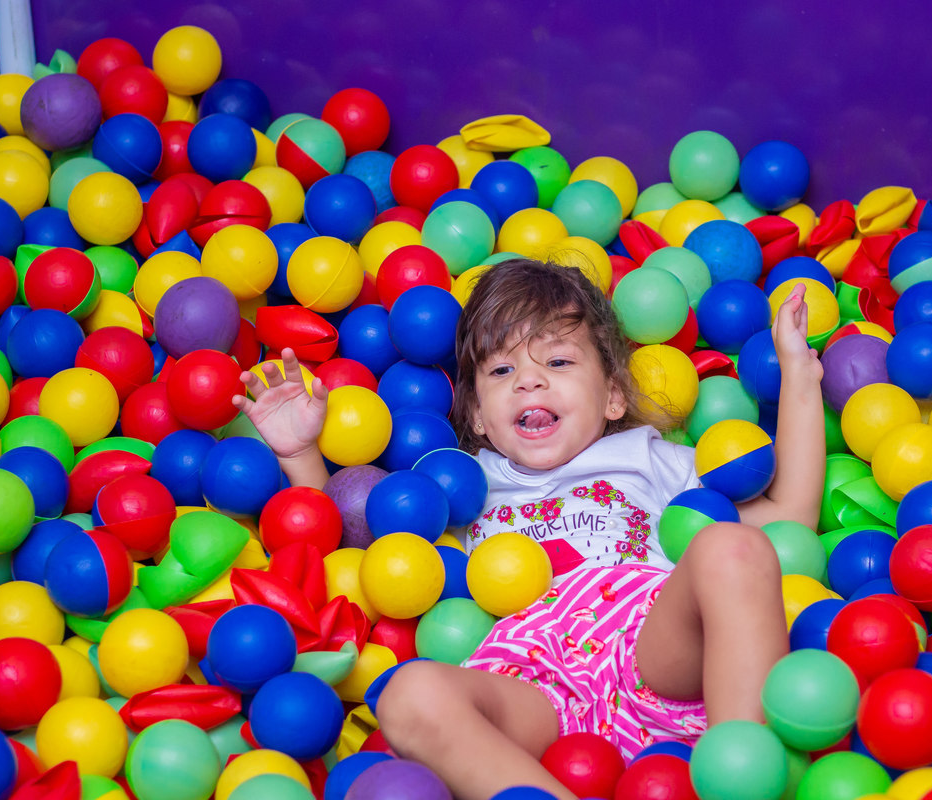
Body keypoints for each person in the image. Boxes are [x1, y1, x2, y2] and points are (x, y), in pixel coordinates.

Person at [235, 258, 825, 800]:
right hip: (533, 687)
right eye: (502, 369)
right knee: (408, 694)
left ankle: (740, 774)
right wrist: (301, 454)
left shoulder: (648, 458)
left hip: (649, 651)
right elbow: (343, 552)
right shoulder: (459, 485)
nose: (530, 381)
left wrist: (800, 378)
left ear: (614, 395)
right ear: (474, 415)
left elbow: (789, 521)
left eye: (559, 361)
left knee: (732, 546)